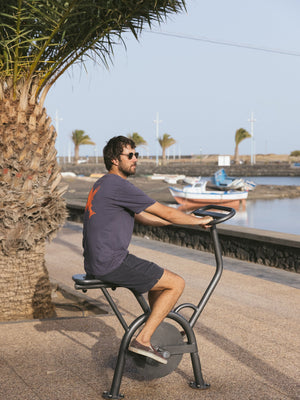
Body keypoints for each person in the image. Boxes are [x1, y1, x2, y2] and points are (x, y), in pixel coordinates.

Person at [83, 136, 213, 364]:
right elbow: (164, 210)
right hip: (111, 261)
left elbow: (144, 216)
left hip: (97, 260)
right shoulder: (118, 184)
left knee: (159, 281)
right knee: (176, 283)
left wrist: (178, 221)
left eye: (136, 155)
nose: (135, 160)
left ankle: (155, 331)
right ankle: (142, 340)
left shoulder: (103, 183)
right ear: (114, 160)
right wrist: (195, 220)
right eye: (130, 156)